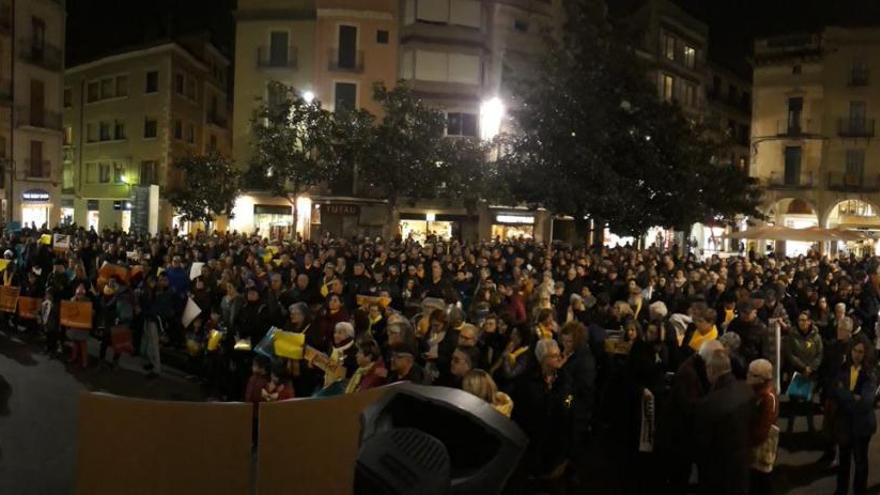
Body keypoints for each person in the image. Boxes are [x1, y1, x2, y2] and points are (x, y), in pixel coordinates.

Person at [512, 338, 574, 487]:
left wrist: (566, 404)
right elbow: (523, 413)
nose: (559, 358)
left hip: (557, 440)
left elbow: (570, 400)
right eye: (553, 355)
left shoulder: (564, 379)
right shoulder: (526, 382)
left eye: (559, 354)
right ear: (542, 359)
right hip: (534, 441)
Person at [694, 347, 755, 495]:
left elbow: (703, 442)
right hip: (743, 461)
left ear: (711, 370)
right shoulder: (747, 390)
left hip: (719, 468)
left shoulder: (709, 403)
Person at [831, 337, 876, 495]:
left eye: (861, 352)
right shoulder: (843, 368)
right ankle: (841, 491)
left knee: (860, 462)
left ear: (866, 354)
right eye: (855, 351)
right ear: (850, 351)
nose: (857, 355)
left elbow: (867, 402)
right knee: (843, 461)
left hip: (862, 425)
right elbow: (835, 391)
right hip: (845, 423)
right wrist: (853, 396)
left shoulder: (869, 373)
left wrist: (845, 395)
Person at [782, 310, 823, 433]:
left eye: (805, 320)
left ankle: (811, 427)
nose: (802, 323)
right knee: (793, 402)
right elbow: (790, 354)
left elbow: (819, 354)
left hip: (811, 372)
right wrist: (802, 367)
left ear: (810, 321)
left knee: (809, 402)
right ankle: (790, 427)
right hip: (796, 371)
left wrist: (811, 367)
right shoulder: (792, 335)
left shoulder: (816, 336)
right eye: (800, 320)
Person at [747, 359, 778, 495]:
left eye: (751, 374)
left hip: (761, 450)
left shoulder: (768, 398)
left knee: (761, 483)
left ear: (761, 379)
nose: (747, 376)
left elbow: (762, 430)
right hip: (754, 447)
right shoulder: (758, 392)